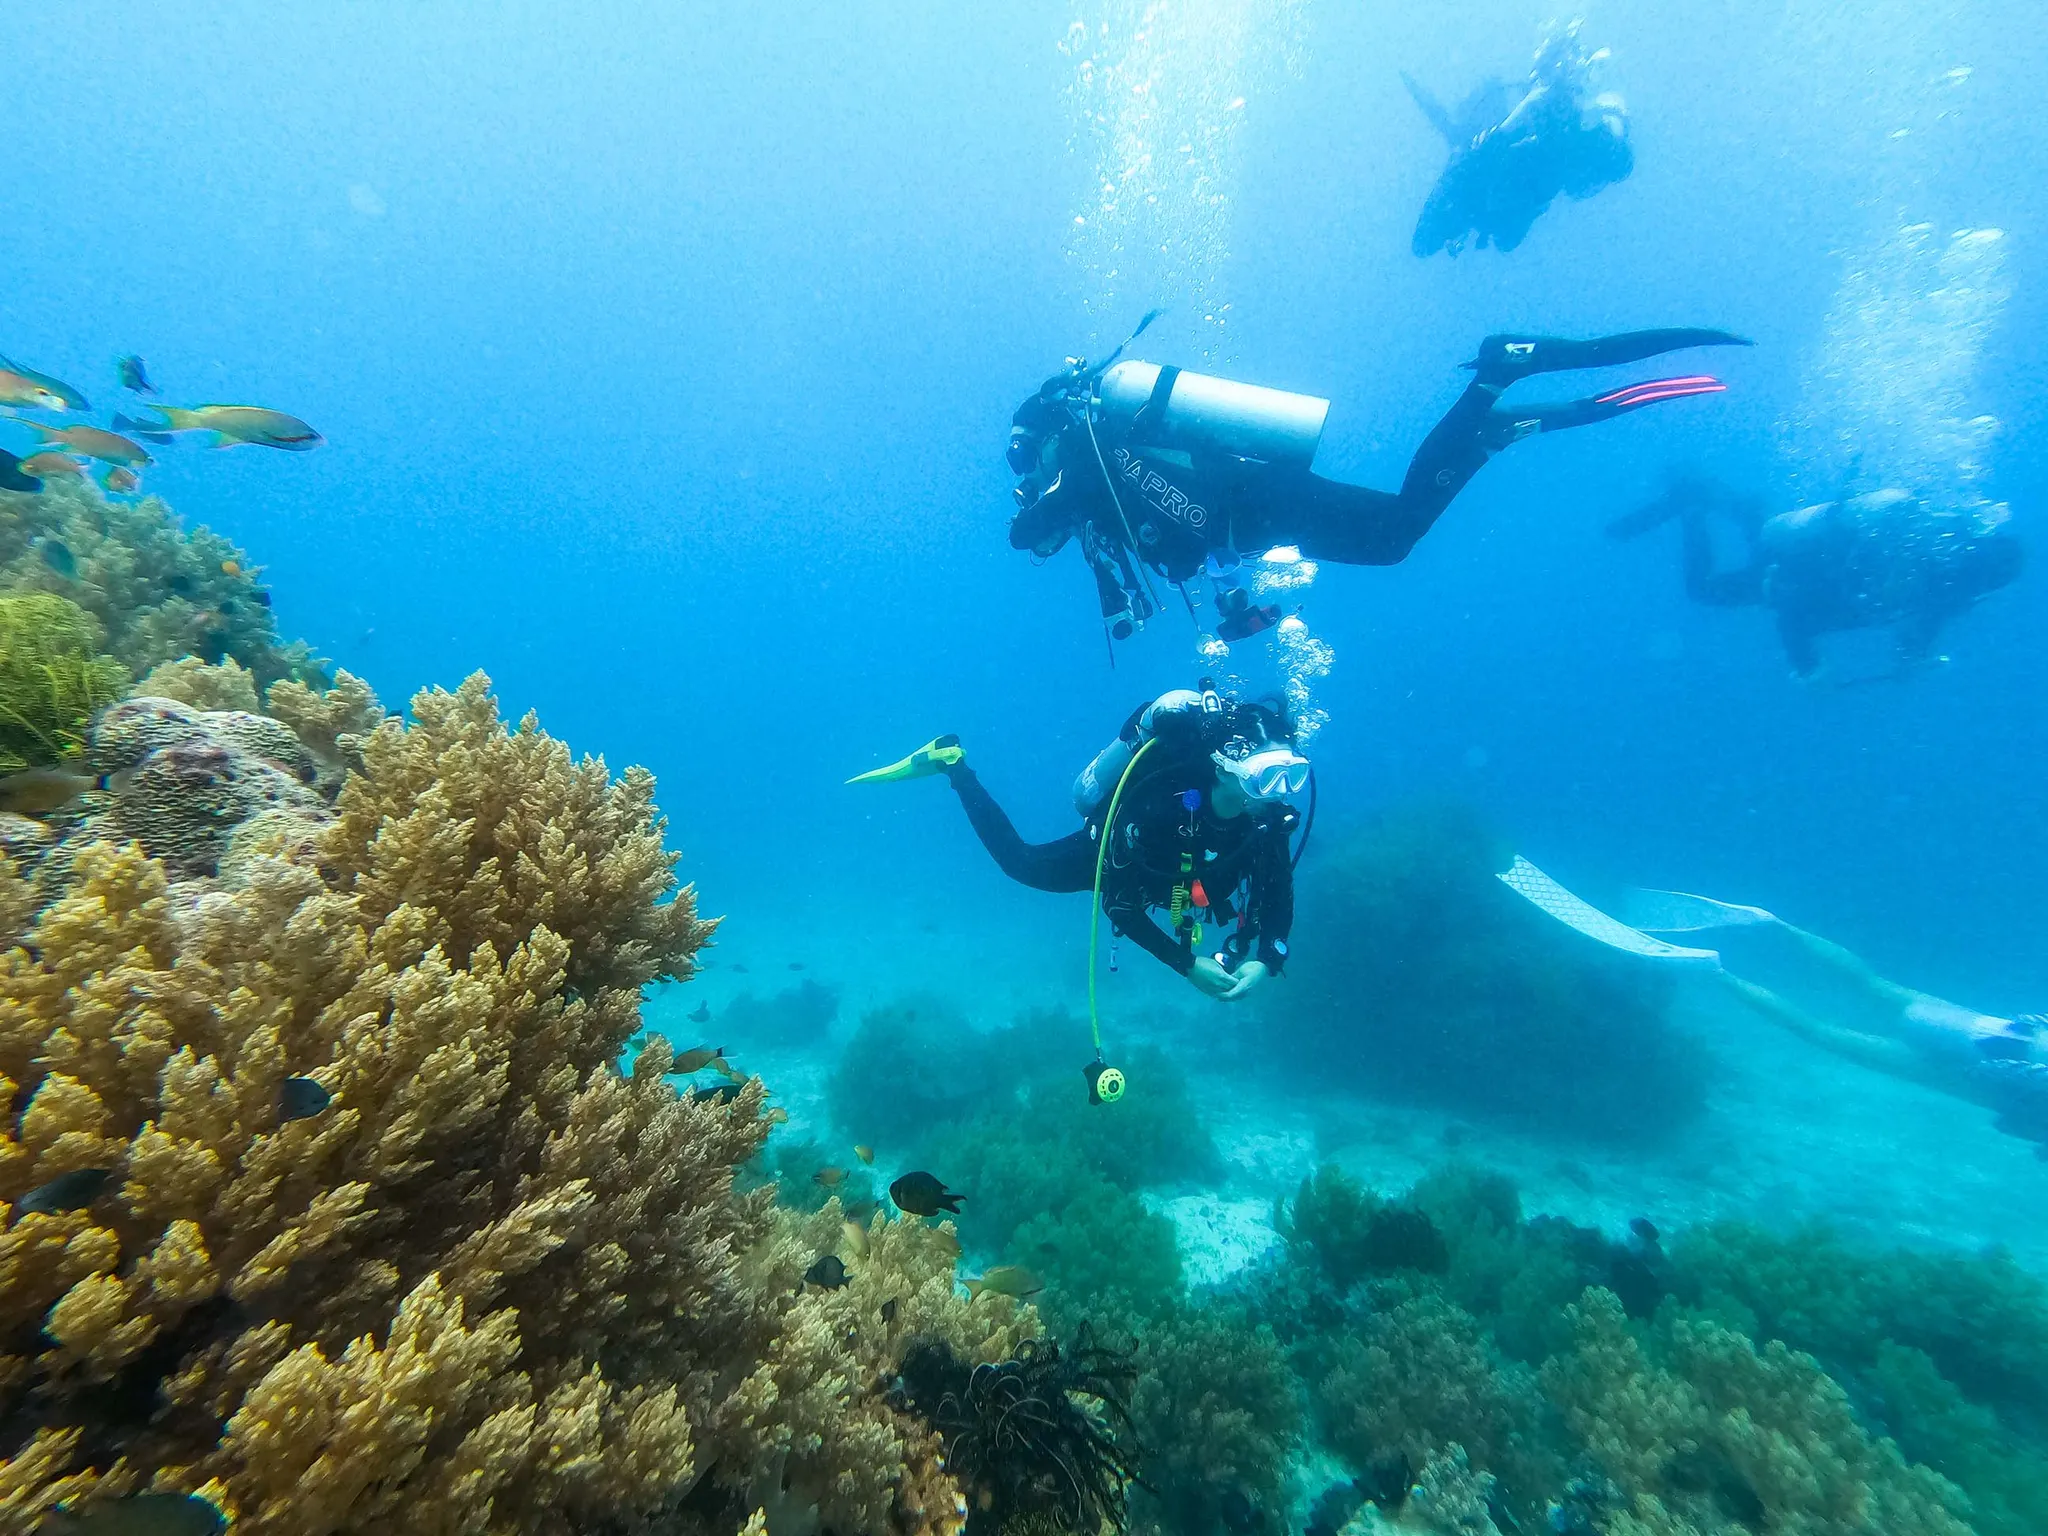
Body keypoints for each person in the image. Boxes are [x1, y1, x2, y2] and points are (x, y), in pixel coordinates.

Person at [1008, 328, 1749, 642]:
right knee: (1396, 536)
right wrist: (1237, 607)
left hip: (1258, 500)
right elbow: (1176, 543)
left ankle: (1497, 378)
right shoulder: (1096, 465)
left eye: (1025, 463)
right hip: (1256, 512)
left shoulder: (1079, 445)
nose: (1030, 477)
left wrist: (1033, 511)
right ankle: (1488, 420)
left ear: (1042, 436)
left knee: (1396, 534)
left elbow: (1036, 526)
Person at [849, 684, 1306, 1002]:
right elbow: (1120, 905)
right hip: (1112, 853)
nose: (1281, 792)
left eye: (1293, 776)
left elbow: (1278, 893)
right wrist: (1186, 965)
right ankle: (953, 764)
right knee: (1020, 863)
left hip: (1179, 883)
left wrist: (1267, 958)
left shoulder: (1263, 821)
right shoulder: (1163, 808)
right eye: (1270, 776)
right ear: (1226, 766)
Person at [1622, 890, 2048, 1150]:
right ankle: (1715, 970)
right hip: (1962, 1072)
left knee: (1872, 983)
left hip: (1994, 1033)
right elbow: (2012, 1124)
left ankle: (1773, 924)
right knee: (1818, 1031)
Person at [1608, 472, 2024, 678]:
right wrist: (1808, 671)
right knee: (1704, 590)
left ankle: (1723, 499)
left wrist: (1912, 658)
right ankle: (1693, 508)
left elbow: (1919, 632)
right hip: (1794, 569)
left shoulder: (1946, 581)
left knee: (1766, 528)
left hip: (1810, 549)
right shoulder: (1933, 586)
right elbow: (1793, 617)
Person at [1406, 24, 1634, 258]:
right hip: (1493, 178)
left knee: (1453, 233)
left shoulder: (1567, 130)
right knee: (1434, 239)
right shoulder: (1551, 117)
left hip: (1500, 183)